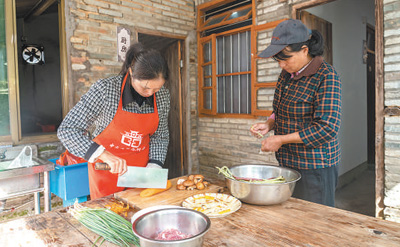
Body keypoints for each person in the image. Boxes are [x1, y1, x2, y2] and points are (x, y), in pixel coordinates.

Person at [57, 43, 170, 200]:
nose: (150, 93)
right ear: (131, 72)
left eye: (156, 89)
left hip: (141, 172)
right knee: (109, 216)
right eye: (145, 88)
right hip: (106, 169)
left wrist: (155, 164)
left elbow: (160, 135)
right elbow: (68, 130)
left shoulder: (162, 95)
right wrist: (103, 154)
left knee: (140, 213)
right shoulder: (105, 90)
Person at [250, 19, 342, 207]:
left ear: (304, 50)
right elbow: (279, 110)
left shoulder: (327, 76)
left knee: (315, 223)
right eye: (278, 60)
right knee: (290, 216)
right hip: (287, 163)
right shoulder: (286, 76)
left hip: (315, 166)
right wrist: (269, 124)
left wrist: (281, 139)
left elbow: (327, 128)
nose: (282, 65)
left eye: (286, 58)